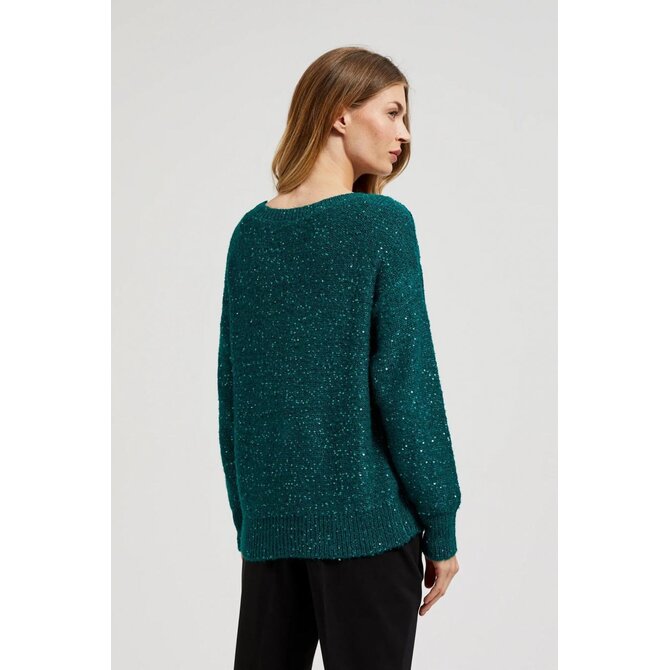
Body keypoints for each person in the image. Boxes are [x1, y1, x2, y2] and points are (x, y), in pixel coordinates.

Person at [218, 46, 462, 670]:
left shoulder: (250, 233)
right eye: (393, 112)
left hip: (271, 533)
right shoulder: (381, 224)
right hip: (367, 529)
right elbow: (407, 385)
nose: (405, 135)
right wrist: (441, 524)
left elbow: (233, 395)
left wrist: (252, 518)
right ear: (340, 114)